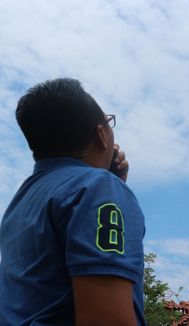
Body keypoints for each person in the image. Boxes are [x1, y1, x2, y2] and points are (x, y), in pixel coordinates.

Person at [0, 78, 146, 325]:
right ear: (101, 134)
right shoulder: (97, 188)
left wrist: (113, 183)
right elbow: (107, 320)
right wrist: (108, 186)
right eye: (109, 122)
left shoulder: (20, 202)